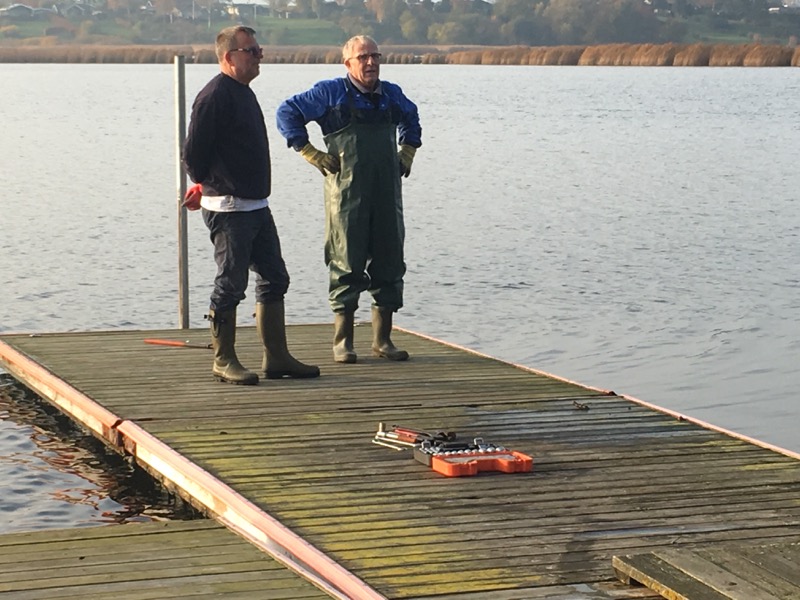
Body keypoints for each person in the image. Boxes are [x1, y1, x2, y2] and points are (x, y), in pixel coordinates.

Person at [182, 25, 319, 385]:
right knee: (231, 283)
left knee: (275, 277)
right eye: (252, 51)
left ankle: (276, 357)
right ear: (230, 57)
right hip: (228, 207)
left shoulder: (242, 91)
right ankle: (223, 359)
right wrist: (207, 185)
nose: (260, 56)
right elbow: (193, 155)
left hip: (256, 205)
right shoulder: (213, 96)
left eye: (259, 50)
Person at [276, 35, 422, 364]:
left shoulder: (392, 95)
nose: (371, 63)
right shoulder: (331, 93)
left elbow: (412, 117)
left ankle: (383, 340)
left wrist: (408, 150)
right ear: (347, 63)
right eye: (363, 57)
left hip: (386, 194)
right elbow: (287, 111)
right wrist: (308, 151)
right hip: (345, 194)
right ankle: (343, 342)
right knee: (345, 261)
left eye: (375, 56)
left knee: (390, 260)